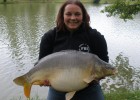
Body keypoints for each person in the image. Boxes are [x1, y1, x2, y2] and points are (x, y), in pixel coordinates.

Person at [38, 0, 109, 100]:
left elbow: (104, 63)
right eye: (68, 14)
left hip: (90, 90)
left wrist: (97, 77)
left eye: (77, 14)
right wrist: (43, 80)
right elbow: (41, 63)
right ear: (62, 16)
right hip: (58, 91)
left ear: (83, 16)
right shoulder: (49, 37)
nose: (73, 18)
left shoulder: (95, 37)